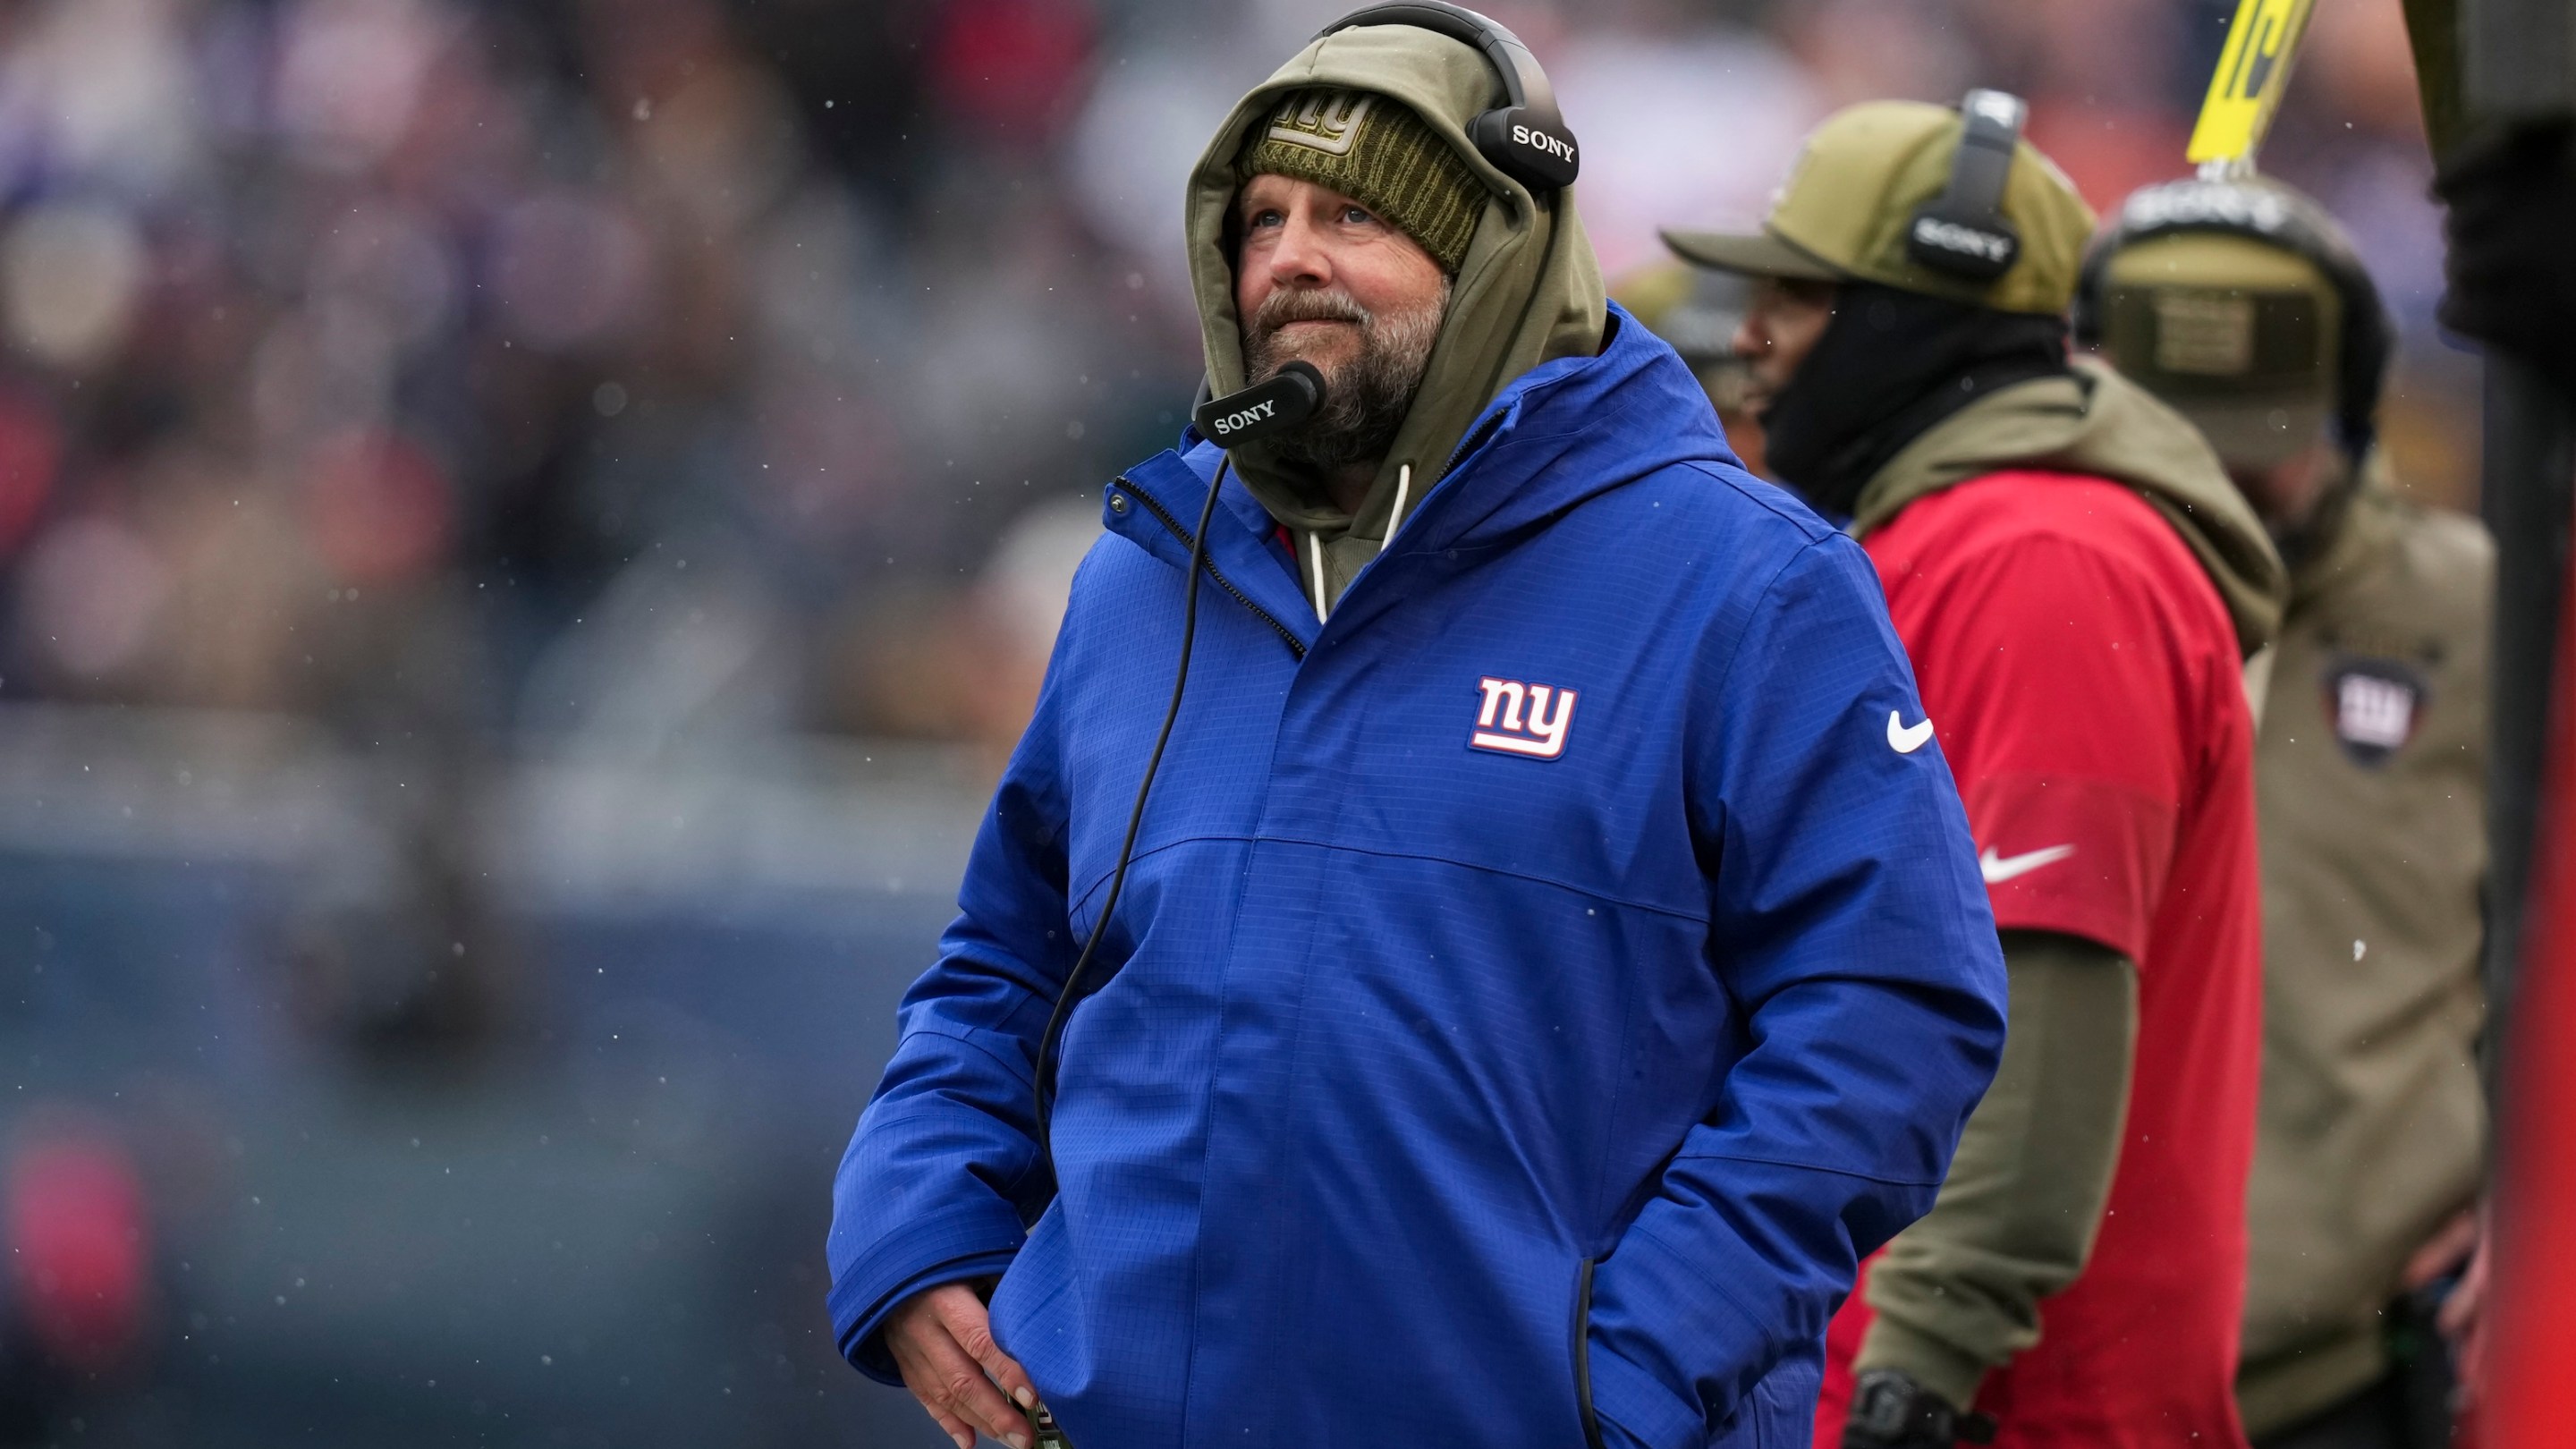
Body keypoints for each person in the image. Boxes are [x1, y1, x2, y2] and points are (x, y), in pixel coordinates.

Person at [825, 10, 2010, 1449]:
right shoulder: (1148, 571)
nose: (1291, 257)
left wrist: (1628, 1373)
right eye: (1262, 216)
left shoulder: (1746, 581)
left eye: (1357, 214)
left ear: (1498, 245)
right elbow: (1003, 964)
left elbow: (1892, 1015)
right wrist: (918, 1227)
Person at [1666, 92, 2286, 1449]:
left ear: (1911, 314)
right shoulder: (1949, 541)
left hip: (2009, 1404)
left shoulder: (2042, 564)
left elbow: (2037, 1001)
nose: (1753, 335)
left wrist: (1921, 1366)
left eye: (1798, 292)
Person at [2077, 176, 2492, 1449]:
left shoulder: (2479, 613)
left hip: (2355, 1361)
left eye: (2256, 450)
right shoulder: (2033, 591)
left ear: (2355, 406)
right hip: (2062, 1359)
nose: (2214, 496)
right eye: (2175, 444)